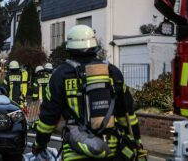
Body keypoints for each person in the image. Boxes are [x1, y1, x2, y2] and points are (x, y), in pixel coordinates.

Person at [32, 25, 147, 161]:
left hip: (76, 151)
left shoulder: (60, 75)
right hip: (110, 150)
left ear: (69, 47)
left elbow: (48, 118)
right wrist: (137, 143)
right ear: (94, 46)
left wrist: (39, 144)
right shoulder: (112, 72)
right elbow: (127, 115)